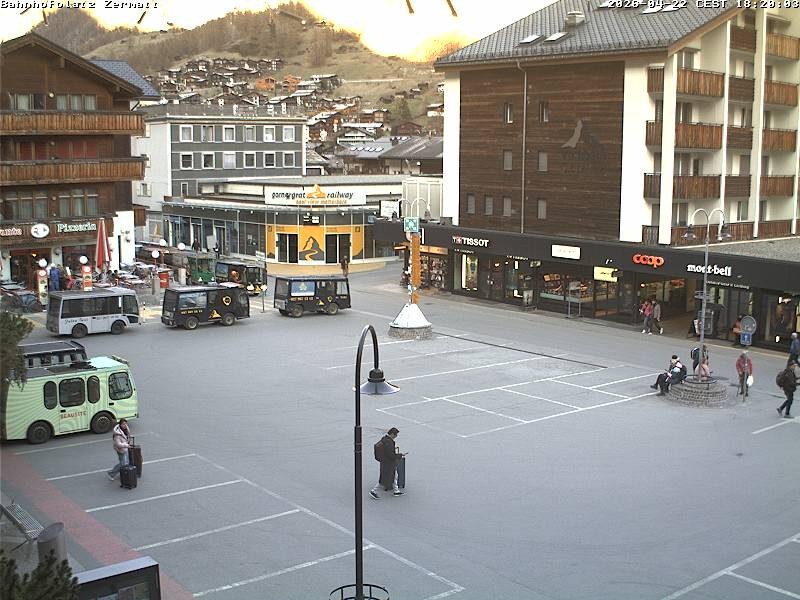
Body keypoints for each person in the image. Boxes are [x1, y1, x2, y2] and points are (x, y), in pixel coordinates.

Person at [369, 427, 405, 499]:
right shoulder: (389, 442)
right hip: (388, 463)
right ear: (391, 434)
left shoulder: (384, 439)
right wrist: (400, 455)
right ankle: (373, 491)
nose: (396, 436)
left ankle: (396, 491)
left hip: (385, 462)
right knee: (384, 479)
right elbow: (391, 455)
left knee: (394, 476)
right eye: (395, 434)